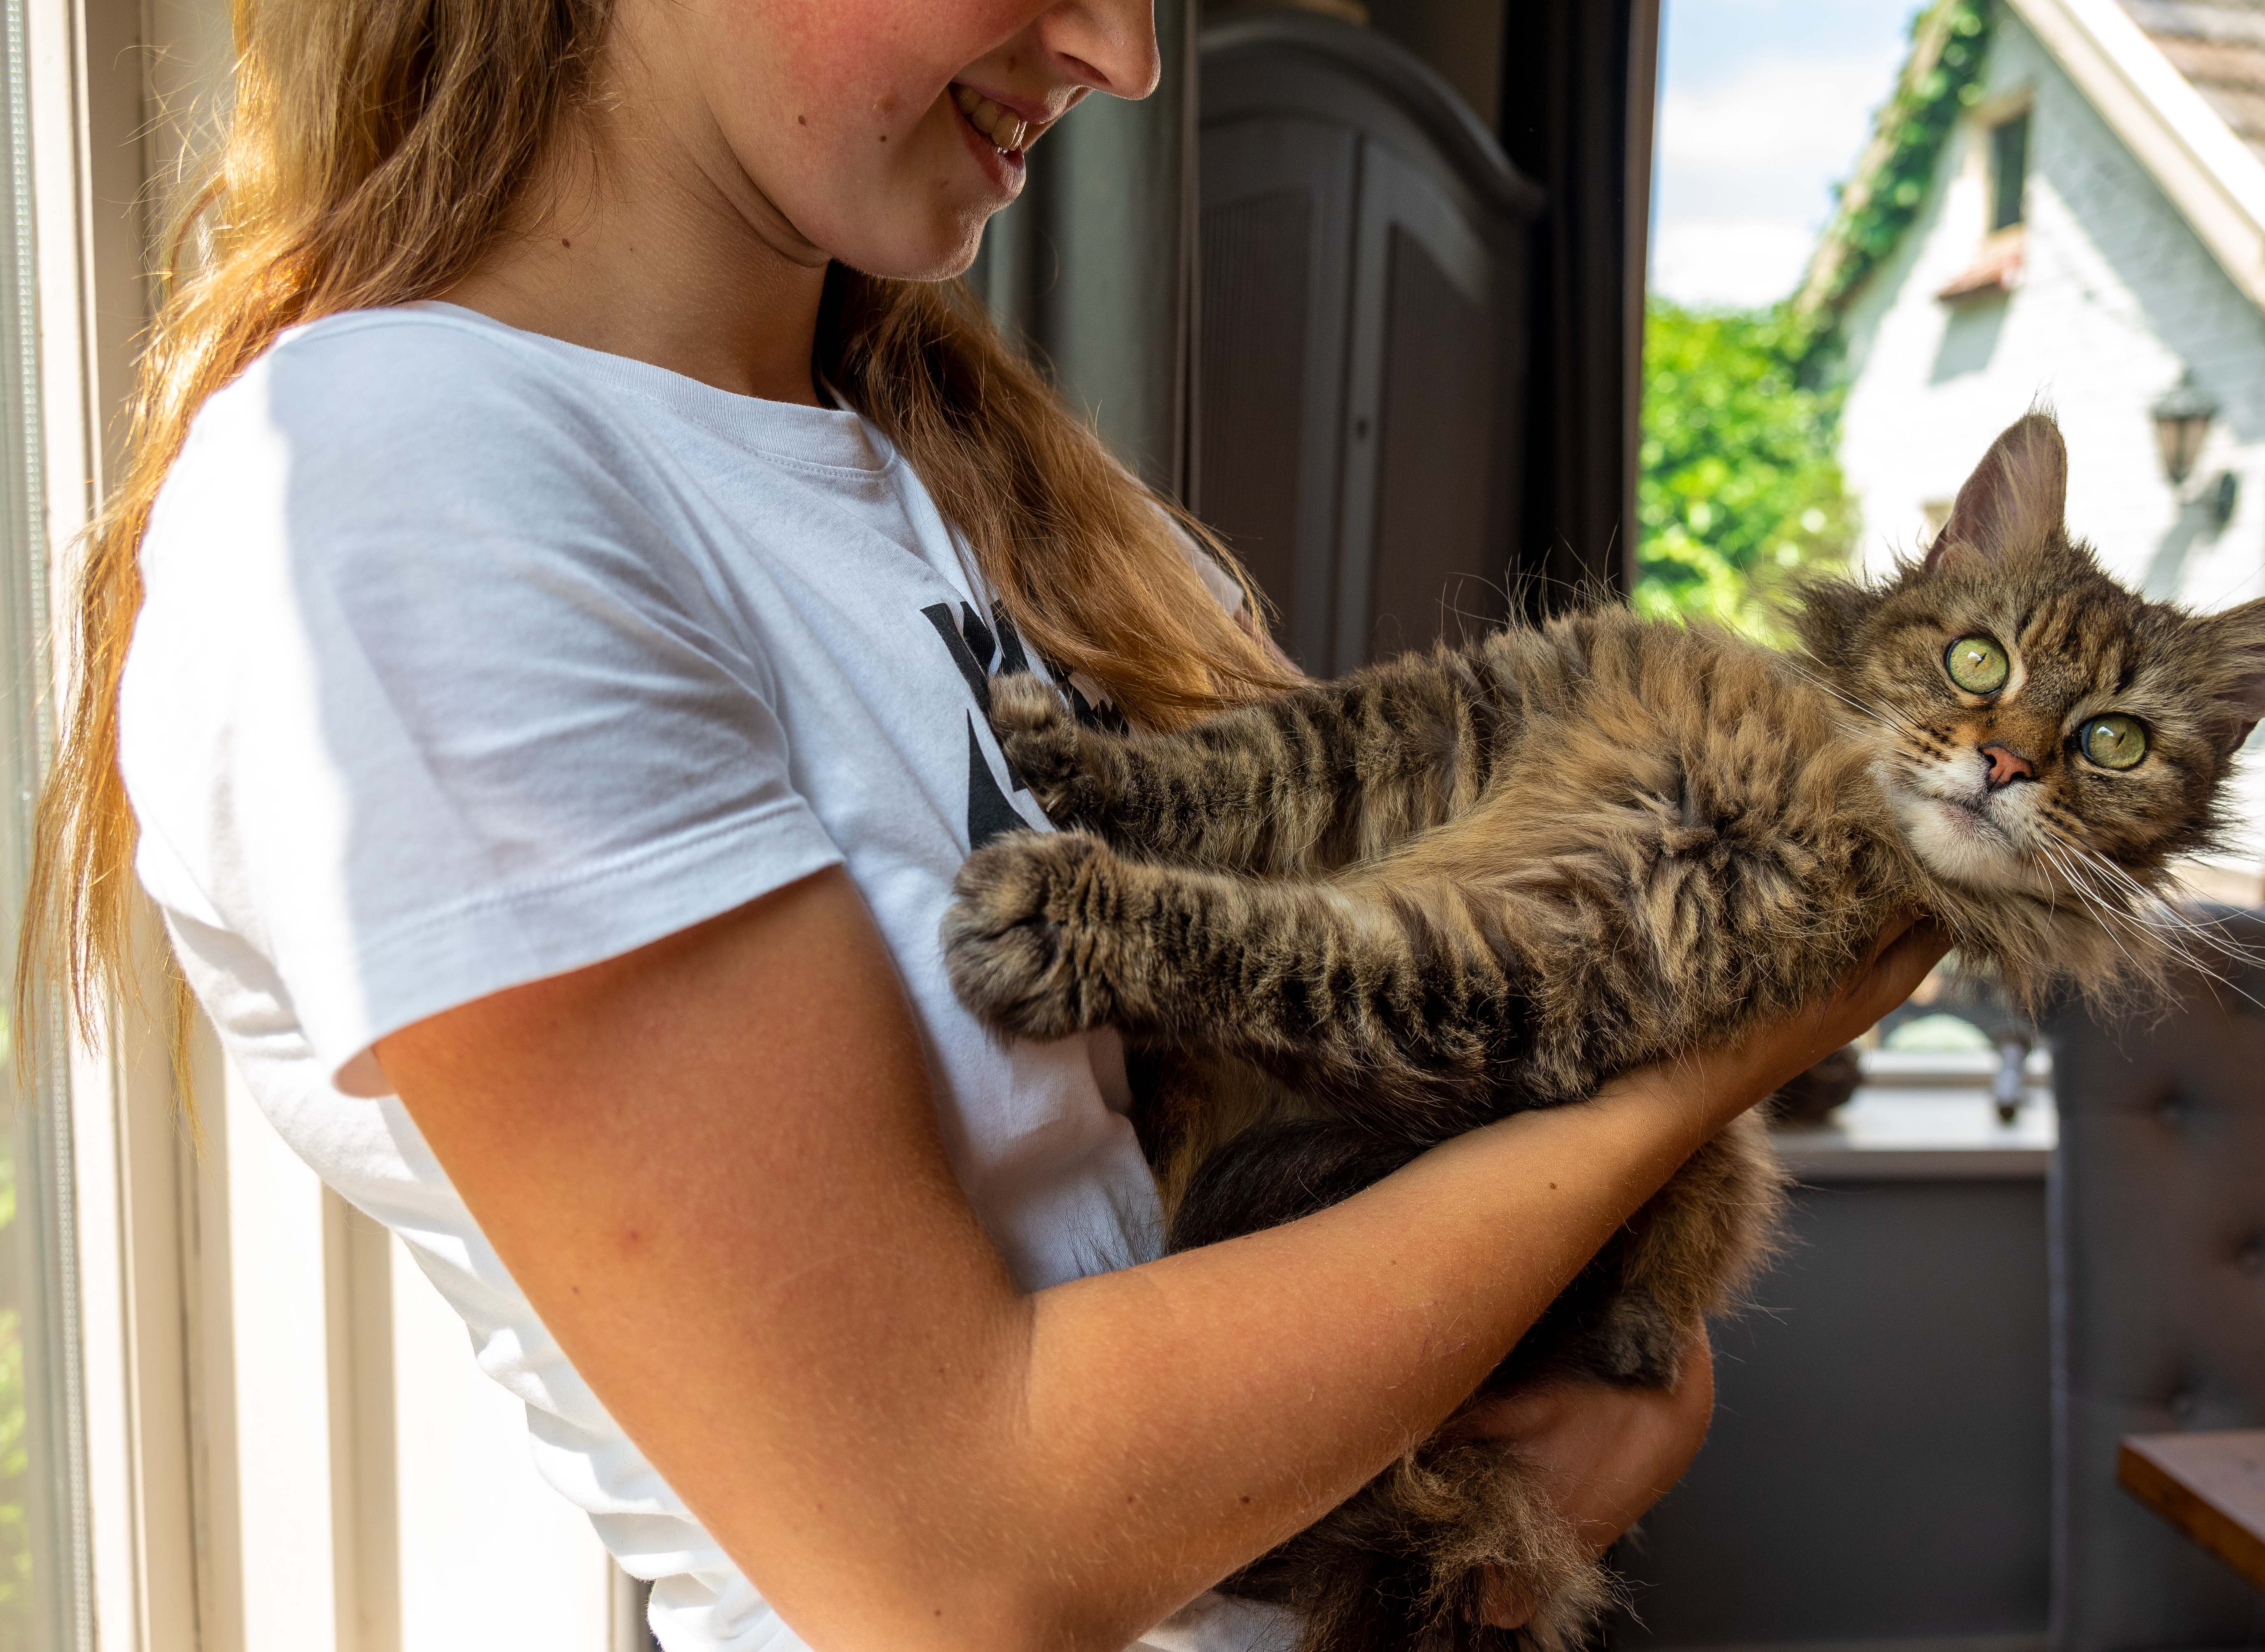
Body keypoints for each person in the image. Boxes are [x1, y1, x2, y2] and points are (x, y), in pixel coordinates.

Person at [29, 2, 1948, 1648]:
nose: (1123, 58)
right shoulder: (411, 484)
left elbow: (1330, 1243)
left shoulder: (932, 465)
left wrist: (1595, 1353)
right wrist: (1701, 1070)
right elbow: (957, 1553)